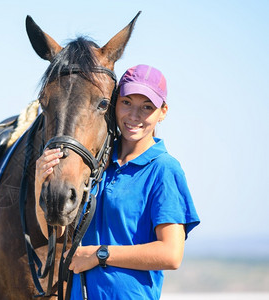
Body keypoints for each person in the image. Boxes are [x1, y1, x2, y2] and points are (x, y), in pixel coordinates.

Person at [34, 64, 200, 299]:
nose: (134, 115)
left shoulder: (163, 168)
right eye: (127, 103)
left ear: (163, 112)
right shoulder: (97, 165)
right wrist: (41, 182)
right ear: (114, 104)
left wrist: (100, 254)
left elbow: (171, 254)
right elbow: (56, 231)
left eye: (147, 107)